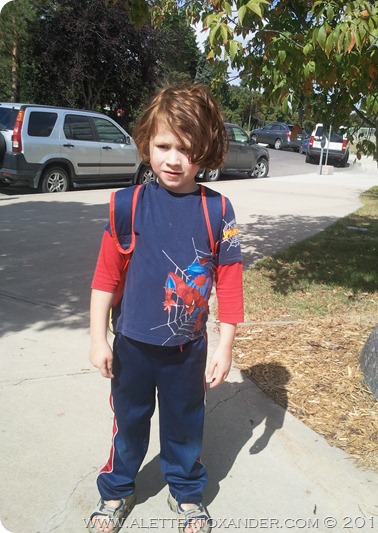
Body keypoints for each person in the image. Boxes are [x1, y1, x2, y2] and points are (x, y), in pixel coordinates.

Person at [87, 83, 244, 533]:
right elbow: (105, 278)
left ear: (206, 150)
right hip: (132, 346)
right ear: (146, 143)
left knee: (184, 426)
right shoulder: (126, 205)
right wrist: (98, 338)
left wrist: (225, 345)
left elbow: (230, 281)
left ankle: (187, 493)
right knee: (128, 423)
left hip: (186, 351)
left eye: (187, 149)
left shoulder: (219, 211)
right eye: (163, 146)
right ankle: (117, 488)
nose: (173, 159)